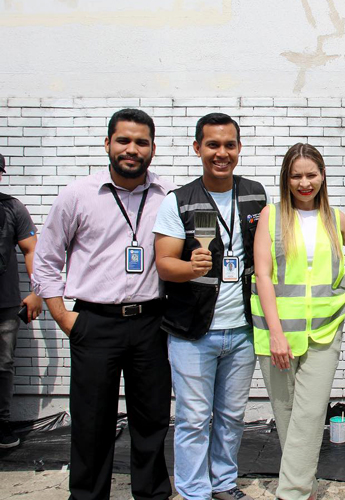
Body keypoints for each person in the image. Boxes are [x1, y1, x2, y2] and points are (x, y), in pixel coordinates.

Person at [33, 109, 173, 500]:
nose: (132, 149)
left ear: (153, 148)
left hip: (151, 322)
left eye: (141, 142)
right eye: (123, 140)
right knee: (92, 422)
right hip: (94, 321)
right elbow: (46, 260)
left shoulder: (168, 196)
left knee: (152, 419)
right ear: (108, 144)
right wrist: (63, 315)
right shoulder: (77, 195)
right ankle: (88, 496)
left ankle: (151, 494)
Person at [153, 113, 267, 500]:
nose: (222, 153)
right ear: (198, 147)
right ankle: (193, 491)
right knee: (193, 419)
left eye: (229, 145)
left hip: (243, 331)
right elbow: (164, 264)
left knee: (233, 416)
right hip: (192, 331)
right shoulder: (178, 200)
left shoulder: (255, 194)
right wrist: (189, 267)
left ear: (239, 148)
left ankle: (223, 483)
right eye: (213, 145)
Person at [251, 143, 345, 500]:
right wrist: (278, 334)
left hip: (324, 331)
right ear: (286, 179)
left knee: (310, 415)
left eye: (311, 174)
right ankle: (307, 488)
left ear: (323, 175)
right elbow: (263, 276)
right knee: (286, 415)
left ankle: (291, 494)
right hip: (276, 334)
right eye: (296, 175)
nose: (304, 182)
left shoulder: (337, 218)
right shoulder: (271, 215)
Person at [0, 153, 42, 448]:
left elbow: (32, 250)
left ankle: (1, 423)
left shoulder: (12, 207)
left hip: (4, 305)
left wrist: (37, 290)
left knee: (3, 365)